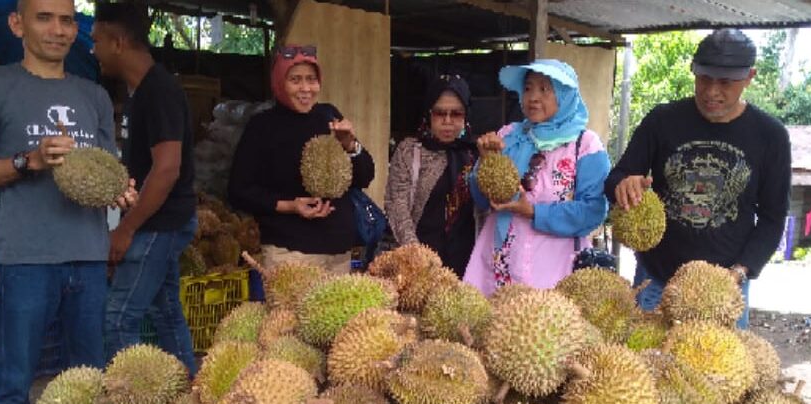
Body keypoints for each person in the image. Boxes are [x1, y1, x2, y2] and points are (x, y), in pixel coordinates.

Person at [0, 0, 135, 404]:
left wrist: (121, 191)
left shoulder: (93, 95)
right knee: (14, 378)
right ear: (18, 24)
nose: (58, 29)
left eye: (67, 20)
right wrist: (27, 161)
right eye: (44, 18)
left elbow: (105, 172)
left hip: (88, 256)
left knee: (90, 377)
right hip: (26, 258)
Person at [605, 28, 791, 329]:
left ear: (749, 77)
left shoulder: (770, 136)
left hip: (724, 287)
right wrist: (623, 185)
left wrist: (739, 272)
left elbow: (773, 217)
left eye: (725, 82)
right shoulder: (662, 120)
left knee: (718, 362)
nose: (711, 92)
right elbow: (617, 176)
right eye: (704, 79)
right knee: (645, 358)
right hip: (657, 281)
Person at [91, 3, 198, 376]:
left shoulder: (158, 91)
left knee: (119, 317)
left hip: (158, 225)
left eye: (97, 41)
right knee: (165, 311)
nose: (93, 50)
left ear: (118, 42)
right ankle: (188, 388)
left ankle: (129, 398)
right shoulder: (140, 91)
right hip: (160, 221)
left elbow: (167, 169)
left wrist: (126, 228)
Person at [463, 59, 610, 295]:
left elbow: (593, 211)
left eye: (544, 89)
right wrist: (486, 163)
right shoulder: (508, 136)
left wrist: (534, 211)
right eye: (528, 88)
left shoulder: (585, 145)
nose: (533, 97)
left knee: (545, 319)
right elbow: (482, 200)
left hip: (556, 269)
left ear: (564, 95)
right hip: (501, 264)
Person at [228, 44, 375, 274]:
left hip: (338, 252)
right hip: (289, 253)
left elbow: (364, 177)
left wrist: (350, 145)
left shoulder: (329, 116)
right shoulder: (262, 126)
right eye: (295, 80)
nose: (305, 88)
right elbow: (239, 191)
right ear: (279, 82)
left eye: (311, 79)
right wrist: (290, 206)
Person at [384, 74, 479, 276]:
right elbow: (397, 205)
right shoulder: (410, 151)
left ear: (466, 115)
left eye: (456, 114)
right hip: (418, 264)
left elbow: (487, 208)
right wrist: (416, 255)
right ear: (429, 114)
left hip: (469, 264)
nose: (447, 121)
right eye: (439, 113)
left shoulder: (476, 154)